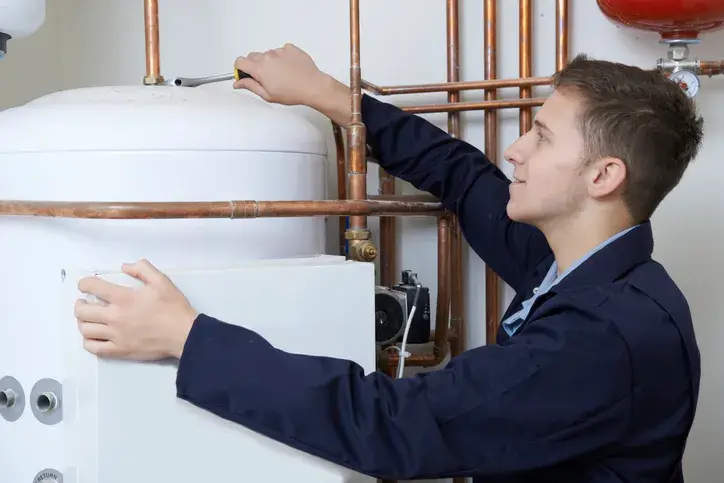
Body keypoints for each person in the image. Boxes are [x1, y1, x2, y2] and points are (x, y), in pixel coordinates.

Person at [74, 44, 703, 482]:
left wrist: (186, 338)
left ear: (603, 175)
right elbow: (462, 176)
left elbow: (395, 426)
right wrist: (332, 98)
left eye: (541, 135)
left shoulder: (601, 336)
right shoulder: (575, 265)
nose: (515, 149)